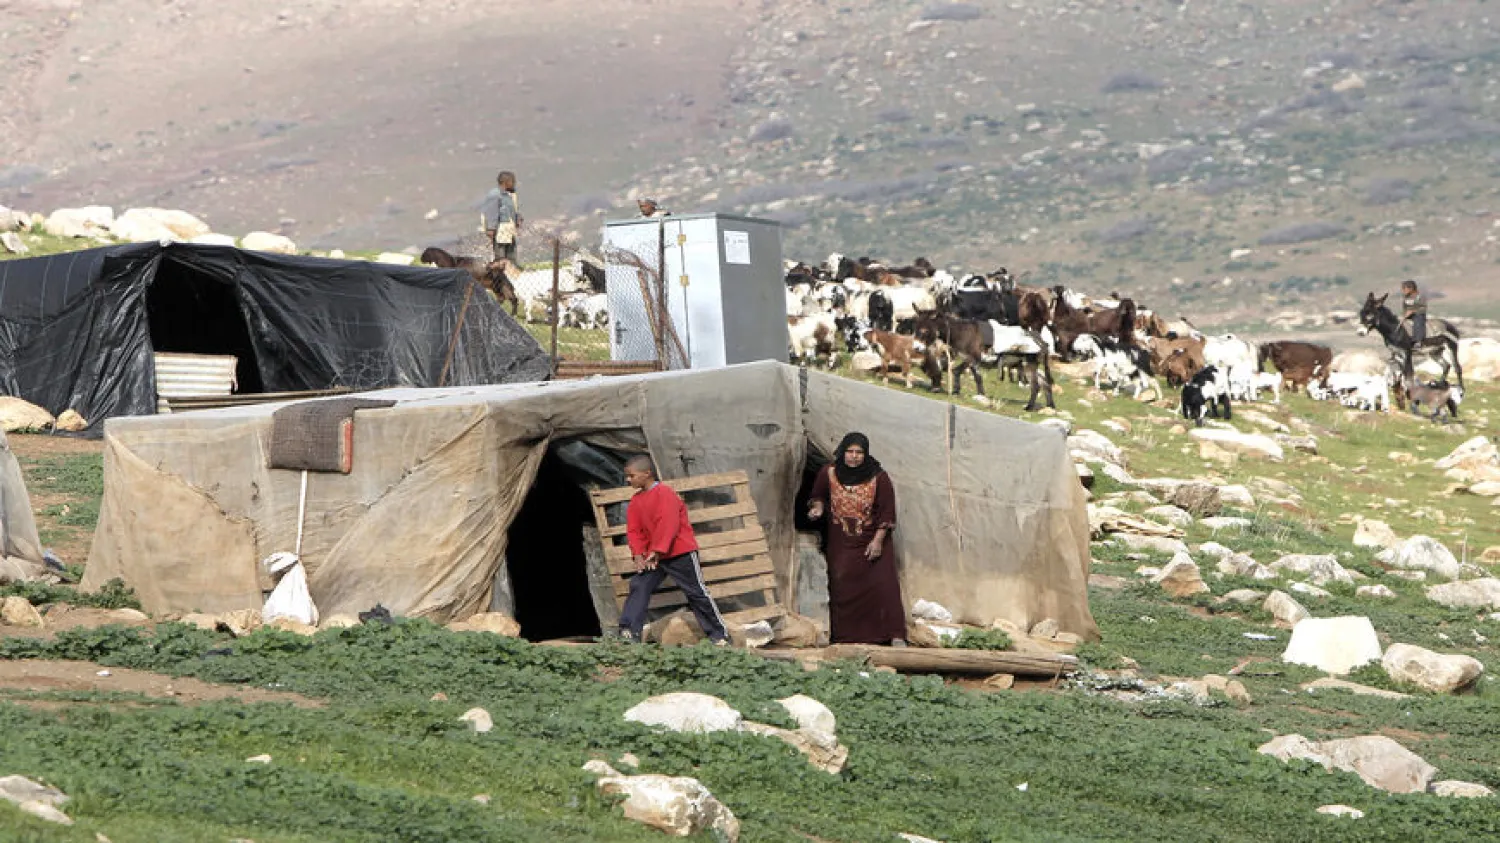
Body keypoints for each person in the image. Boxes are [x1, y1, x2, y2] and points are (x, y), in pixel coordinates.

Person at [806, 432, 907, 646]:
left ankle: (893, 635)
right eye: (850, 452)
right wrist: (818, 508)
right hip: (841, 543)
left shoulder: (879, 477)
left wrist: (878, 541)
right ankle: (845, 638)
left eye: (859, 452)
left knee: (883, 586)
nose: (854, 457)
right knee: (842, 588)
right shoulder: (829, 472)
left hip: (872, 542)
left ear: (865, 453)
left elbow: (887, 511)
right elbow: (819, 495)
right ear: (843, 452)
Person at [616, 455, 729, 645]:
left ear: (647, 473)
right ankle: (628, 632)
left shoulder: (665, 493)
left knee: (696, 592)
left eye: (631, 476)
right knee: (639, 586)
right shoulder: (636, 501)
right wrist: (638, 553)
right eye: (627, 476)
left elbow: (668, 524)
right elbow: (634, 530)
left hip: (679, 553)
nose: (628, 480)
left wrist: (657, 550)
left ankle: (719, 635)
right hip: (654, 556)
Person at [481, 171, 522, 262]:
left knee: (511, 257)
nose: (514, 183)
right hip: (500, 231)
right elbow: (492, 212)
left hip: (509, 230)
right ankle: (501, 274)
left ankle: (510, 273)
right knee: (501, 257)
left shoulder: (509, 195)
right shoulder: (495, 194)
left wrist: (518, 218)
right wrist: (491, 229)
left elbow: (513, 210)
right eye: (512, 181)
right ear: (505, 182)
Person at [1400, 279, 1427, 346]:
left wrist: (1413, 311)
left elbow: (1423, 307)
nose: (1403, 290)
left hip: (1418, 314)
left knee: (1418, 322)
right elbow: (1405, 308)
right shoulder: (1406, 298)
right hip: (1409, 316)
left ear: (1411, 288)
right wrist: (1405, 314)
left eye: (1404, 288)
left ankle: (1418, 340)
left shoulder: (1419, 297)